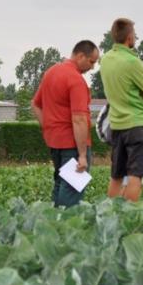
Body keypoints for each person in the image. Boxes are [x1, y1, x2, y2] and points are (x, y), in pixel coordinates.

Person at [32, 40, 99, 207]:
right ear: (80, 56)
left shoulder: (51, 72)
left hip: (55, 143)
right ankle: (65, 227)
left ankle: (52, 223)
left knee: (60, 184)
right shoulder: (76, 80)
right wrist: (82, 155)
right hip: (72, 145)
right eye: (91, 61)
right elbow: (79, 119)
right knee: (71, 189)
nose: (92, 67)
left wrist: (48, 128)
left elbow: (35, 104)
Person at [100, 18, 143, 202]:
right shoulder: (133, 62)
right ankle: (129, 215)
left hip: (116, 124)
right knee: (135, 175)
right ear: (130, 38)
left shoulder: (106, 60)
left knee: (116, 175)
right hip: (137, 124)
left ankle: (111, 213)